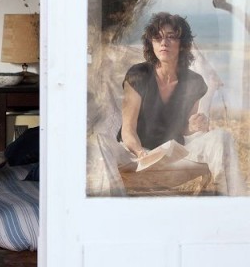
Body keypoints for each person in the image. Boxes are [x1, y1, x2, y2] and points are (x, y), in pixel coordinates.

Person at [90, 12, 246, 196]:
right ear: (151, 43)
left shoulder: (194, 81)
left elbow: (186, 128)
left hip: (174, 154)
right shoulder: (139, 74)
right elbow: (128, 130)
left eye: (171, 37)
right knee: (101, 142)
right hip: (135, 155)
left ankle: (230, 202)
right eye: (158, 37)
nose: (164, 42)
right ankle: (111, 207)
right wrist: (141, 153)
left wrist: (195, 125)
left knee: (221, 137)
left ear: (182, 44)